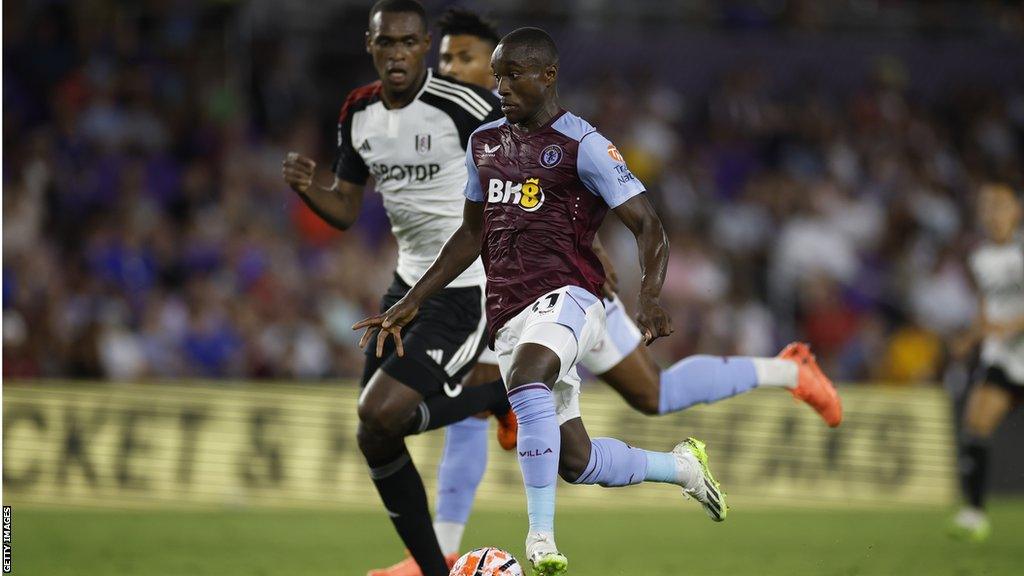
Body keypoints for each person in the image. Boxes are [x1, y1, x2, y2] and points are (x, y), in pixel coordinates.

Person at [367, 10, 843, 576]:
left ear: (547, 76)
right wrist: (412, 299)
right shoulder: (483, 142)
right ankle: (689, 461)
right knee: (587, 450)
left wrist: (652, 294)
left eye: (507, 74)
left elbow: (648, 225)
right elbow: (471, 233)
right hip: (510, 311)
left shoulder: (583, 143)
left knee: (520, 380)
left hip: (573, 297)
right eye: (492, 75)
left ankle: (529, 542)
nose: (498, 87)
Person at [281, 2, 511, 574]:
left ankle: (499, 393)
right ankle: (434, 570)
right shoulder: (358, 112)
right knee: (373, 434)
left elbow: (525, 174)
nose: (398, 54)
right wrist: (314, 190)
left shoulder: (465, 106)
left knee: (382, 412)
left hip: (466, 289)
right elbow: (345, 208)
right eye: (387, 43)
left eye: (409, 43)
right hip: (405, 286)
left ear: (424, 44)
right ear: (371, 44)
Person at [949, 183, 1024, 542]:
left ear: (1016, 212)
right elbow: (985, 310)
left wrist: (1008, 326)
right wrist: (970, 337)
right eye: (986, 207)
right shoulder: (980, 259)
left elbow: (1004, 317)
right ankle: (974, 513)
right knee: (975, 424)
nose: (993, 213)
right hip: (1003, 357)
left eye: (1000, 205)